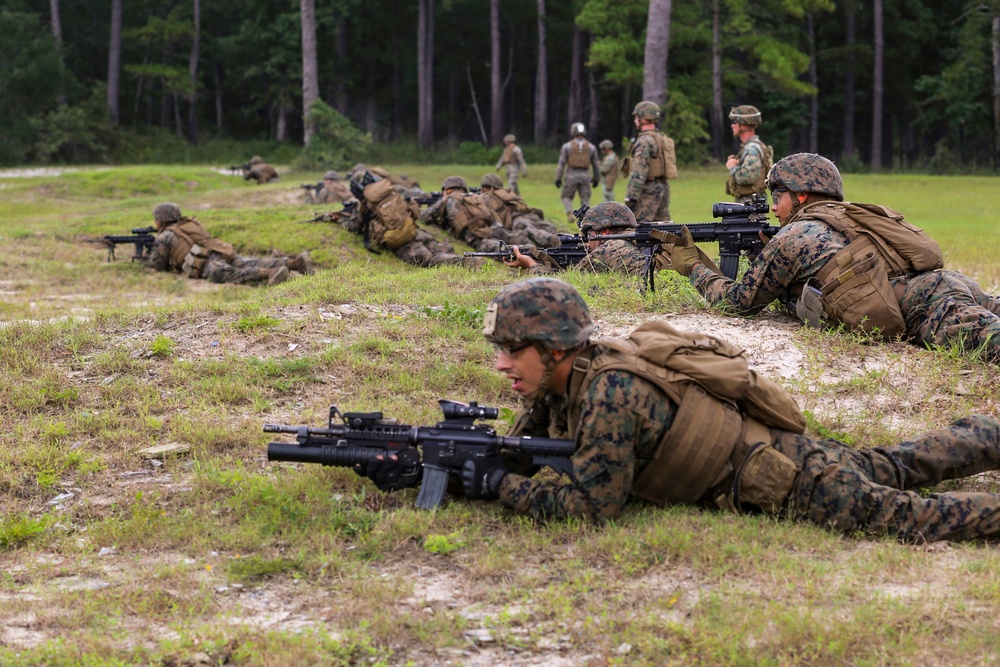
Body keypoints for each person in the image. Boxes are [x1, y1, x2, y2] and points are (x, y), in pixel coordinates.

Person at [359, 277, 1000, 543]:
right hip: (791, 452)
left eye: (510, 351)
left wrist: (497, 487)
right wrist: (432, 465)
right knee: (894, 463)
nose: (501, 365)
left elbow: (591, 508)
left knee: (917, 518)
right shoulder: (571, 380)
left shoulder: (609, 392)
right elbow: (531, 456)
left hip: (791, 482)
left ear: (552, 348)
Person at [667, 152, 1000, 363]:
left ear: (801, 195)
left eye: (778, 196)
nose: (773, 207)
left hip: (931, 307)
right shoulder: (845, 216)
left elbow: (739, 303)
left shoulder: (795, 237)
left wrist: (694, 266)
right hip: (953, 286)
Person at [147, 203, 312, 285]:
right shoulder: (186, 224)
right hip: (218, 252)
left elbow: (157, 266)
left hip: (206, 264)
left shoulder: (165, 236)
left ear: (160, 220)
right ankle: (293, 263)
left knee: (233, 274)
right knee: (246, 261)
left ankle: (270, 272)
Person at [332, 172, 465, 268]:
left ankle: (466, 263)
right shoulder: (391, 194)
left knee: (428, 261)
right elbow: (415, 213)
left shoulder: (366, 203)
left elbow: (354, 226)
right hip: (415, 231)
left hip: (401, 240)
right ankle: (465, 258)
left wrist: (340, 220)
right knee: (441, 249)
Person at [502, 201, 647, 278]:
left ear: (605, 231)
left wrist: (531, 264)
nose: (588, 243)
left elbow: (564, 286)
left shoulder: (610, 249)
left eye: (589, 235)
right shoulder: (639, 240)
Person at [418, 176, 507, 252]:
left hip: (472, 235)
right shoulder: (474, 196)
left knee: (488, 247)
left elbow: (424, 217)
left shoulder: (448, 199)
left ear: (448, 190)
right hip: (489, 229)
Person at [623, 101, 676, 222]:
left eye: (637, 117)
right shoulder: (660, 138)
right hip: (662, 187)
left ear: (644, 118)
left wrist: (631, 197)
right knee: (663, 228)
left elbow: (639, 170)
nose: (635, 120)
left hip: (648, 190)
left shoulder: (644, 141)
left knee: (636, 228)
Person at [478, 173, 560, 249]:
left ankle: (551, 240)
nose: (483, 190)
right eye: (483, 187)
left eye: (485, 187)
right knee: (543, 229)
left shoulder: (487, 197)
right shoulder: (506, 192)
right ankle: (555, 239)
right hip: (530, 214)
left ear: (489, 188)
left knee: (530, 230)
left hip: (518, 219)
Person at [555, 123, 601, 225]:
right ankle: (585, 218)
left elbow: (561, 163)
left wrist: (558, 178)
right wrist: (596, 178)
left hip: (571, 175)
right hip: (585, 176)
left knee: (566, 196)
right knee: (585, 199)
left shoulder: (567, 146)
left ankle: (569, 212)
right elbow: (596, 165)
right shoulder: (591, 147)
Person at [725, 105, 772, 203]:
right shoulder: (752, 146)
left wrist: (732, 167)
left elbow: (749, 177)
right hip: (750, 202)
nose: (732, 125)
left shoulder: (751, 149)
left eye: (735, 122)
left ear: (744, 125)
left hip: (750, 204)